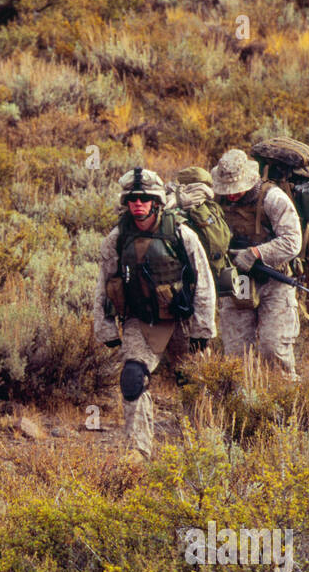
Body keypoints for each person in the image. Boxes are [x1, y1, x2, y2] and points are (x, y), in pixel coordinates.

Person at [93, 166, 217, 460]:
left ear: (156, 201)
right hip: (142, 321)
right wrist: (106, 329)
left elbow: (203, 283)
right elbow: (103, 284)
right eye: (133, 199)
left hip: (182, 321)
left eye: (144, 198)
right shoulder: (117, 238)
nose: (138, 204)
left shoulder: (180, 233)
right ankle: (138, 452)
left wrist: (203, 330)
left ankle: (202, 449)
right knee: (133, 378)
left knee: (194, 383)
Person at [212, 148, 303, 379]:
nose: (231, 194)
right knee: (236, 354)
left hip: (274, 279)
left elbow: (293, 242)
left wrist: (256, 253)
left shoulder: (273, 198)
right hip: (237, 280)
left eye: (236, 189)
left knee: (274, 349)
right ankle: (241, 406)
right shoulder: (216, 200)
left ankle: (286, 403)